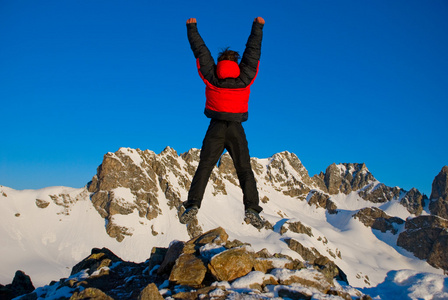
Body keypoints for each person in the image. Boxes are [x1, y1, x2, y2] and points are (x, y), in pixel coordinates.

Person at [180, 17, 265, 229]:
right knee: (244, 169)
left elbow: (201, 52)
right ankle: (252, 210)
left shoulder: (212, 76)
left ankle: (192, 206)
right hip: (236, 128)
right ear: (236, 63)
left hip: (216, 127)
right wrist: (257, 27)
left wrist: (192, 28)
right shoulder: (245, 78)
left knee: (205, 167)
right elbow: (253, 52)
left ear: (220, 62)